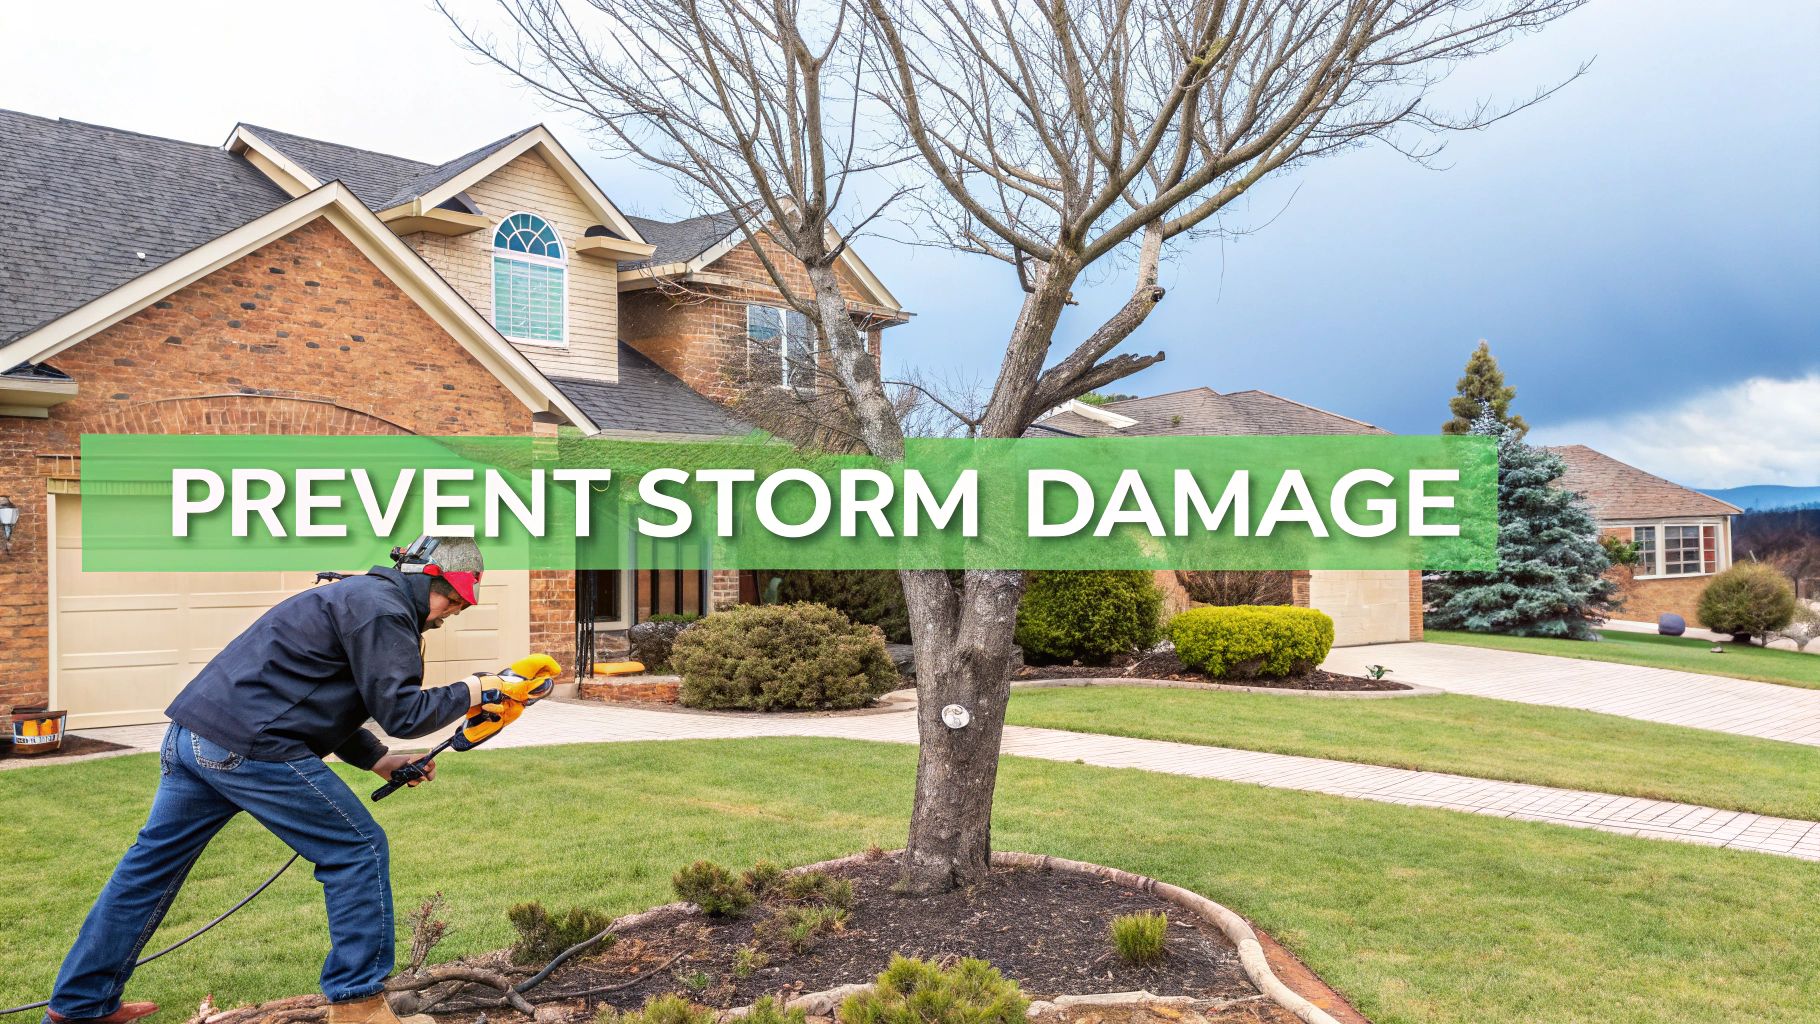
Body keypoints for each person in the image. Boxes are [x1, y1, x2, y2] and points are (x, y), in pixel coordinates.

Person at [45, 537, 496, 1024]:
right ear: (425, 575)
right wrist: (478, 688)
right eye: (453, 599)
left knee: (146, 873)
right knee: (357, 849)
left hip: (193, 735)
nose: (451, 613)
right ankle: (359, 1008)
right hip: (249, 746)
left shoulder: (358, 596)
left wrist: (378, 760)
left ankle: (78, 1008)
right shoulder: (383, 609)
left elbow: (320, 692)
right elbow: (402, 711)